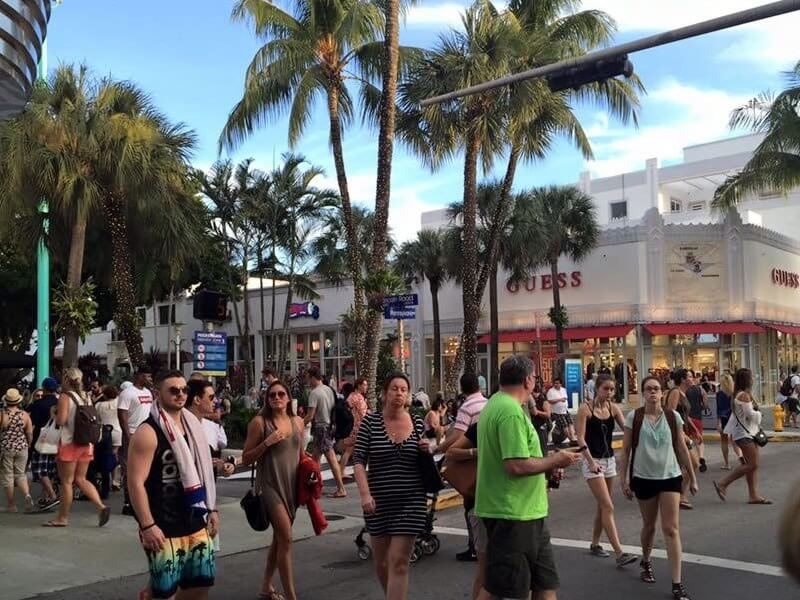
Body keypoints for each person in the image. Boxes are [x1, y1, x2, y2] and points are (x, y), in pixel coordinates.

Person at [475, 355, 581, 600]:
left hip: (527, 511)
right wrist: (555, 460)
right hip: (512, 513)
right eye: (535, 377)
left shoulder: (497, 404)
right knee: (504, 589)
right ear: (527, 380)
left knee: (545, 584)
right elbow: (516, 465)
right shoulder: (510, 411)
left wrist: (547, 466)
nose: (536, 382)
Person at [127, 370, 219, 600]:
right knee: (164, 592)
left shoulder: (193, 426)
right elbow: (135, 482)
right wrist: (148, 525)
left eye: (184, 390)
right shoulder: (148, 432)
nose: (180, 394)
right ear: (158, 394)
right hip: (163, 525)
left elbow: (202, 471)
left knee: (201, 584)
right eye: (173, 390)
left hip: (196, 518)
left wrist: (212, 508)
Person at [618, 375, 697, 600]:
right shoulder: (635, 417)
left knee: (671, 529)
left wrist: (692, 477)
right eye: (648, 389)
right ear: (643, 393)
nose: (653, 392)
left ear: (662, 393)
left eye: (656, 389)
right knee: (649, 526)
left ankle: (677, 584)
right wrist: (623, 480)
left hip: (670, 476)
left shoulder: (673, 417)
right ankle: (646, 560)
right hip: (643, 477)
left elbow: (681, 448)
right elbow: (625, 451)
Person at [353, 372, 430, 600]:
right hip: (378, 503)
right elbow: (358, 461)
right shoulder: (370, 422)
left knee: (398, 562)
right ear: (384, 393)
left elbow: (425, 457)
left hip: (411, 501)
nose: (399, 393)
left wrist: (427, 448)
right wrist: (365, 495)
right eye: (395, 388)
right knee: (382, 563)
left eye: (404, 389)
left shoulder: (416, 422)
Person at [242, 379, 305, 600]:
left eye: (281, 394)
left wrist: (309, 479)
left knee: (279, 539)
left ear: (288, 398)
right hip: (270, 485)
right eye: (272, 395)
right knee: (286, 538)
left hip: (292, 486)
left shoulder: (297, 421)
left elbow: (301, 454)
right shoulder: (260, 423)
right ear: (267, 399)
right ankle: (291, 595)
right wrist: (267, 442)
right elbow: (246, 458)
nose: (276, 398)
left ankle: (266, 586)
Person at [575, 374, 637, 566]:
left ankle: (595, 544)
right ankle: (619, 553)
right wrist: (591, 462)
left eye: (612, 389)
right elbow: (580, 438)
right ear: (597, 389)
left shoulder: (613, 408)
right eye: (606, 389)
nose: (609, 392)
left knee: (603, 505)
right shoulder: (585, 409)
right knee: (608, 506)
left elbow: (628, 428)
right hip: (592, 461)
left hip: (609, 460)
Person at [44, 367, 110, 528]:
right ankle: (101, 506)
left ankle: (62, 518)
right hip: (86, 443)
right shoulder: (86, 396)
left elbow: (61, 421)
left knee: (66, 482)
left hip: (69, 443)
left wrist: (53, 413)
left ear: (66, 380)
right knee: (81, 479)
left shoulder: (65, 397)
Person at [438, 373, 487, 562]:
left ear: (462, 388)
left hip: (471, 459)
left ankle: (474, 546)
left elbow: (457, 437)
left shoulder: (467, 407)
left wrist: (438, 447)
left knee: (470, 501)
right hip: (487, 459)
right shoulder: (487, 403)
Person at [714, 368, 772, 505]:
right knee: (753, 464)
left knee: (752, 465)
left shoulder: (740, 394)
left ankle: (753, 495)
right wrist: (760, 415)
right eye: (751, 377)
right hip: (745, 434)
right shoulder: (743, 396)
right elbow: (751, 415)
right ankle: (723, 483)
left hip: (747, 433)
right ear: (747, 380)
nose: (753, 379)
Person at [446, 422, 485, 599]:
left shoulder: (517, 420)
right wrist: (476, 452)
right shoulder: (482, 424)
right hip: (479, 502)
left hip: (505, 505)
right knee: (486, 571)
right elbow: (452, 451)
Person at [304, 366, 346, 498]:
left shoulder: (314, 393)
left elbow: (310, 415)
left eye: (308, 378)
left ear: (312, 377)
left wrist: (299, 424)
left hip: (321, 427)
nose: (307, 381)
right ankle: (314, 485)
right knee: (315, 458)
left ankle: (341, 488)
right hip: (330, 427)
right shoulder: (329, 390)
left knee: (331, 458)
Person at [118, 365, 154, 515]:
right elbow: (122, 415)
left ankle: (144, 501)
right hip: (132, 434)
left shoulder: (148, 392)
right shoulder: (127, 393)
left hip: (146, 435)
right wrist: (128, 435)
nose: (150, 379)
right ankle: (128, 503)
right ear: (139, 376)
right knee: (130, 469)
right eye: (148, 376)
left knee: (147, 469)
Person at [664, 369, 702, 509]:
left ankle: (679, 495)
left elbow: (685, 416)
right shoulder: (675, 392)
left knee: (688, 465)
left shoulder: (684, 394)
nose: (693, 378)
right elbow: (670, 413)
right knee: (692, 464)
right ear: (683, 379)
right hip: (677, 434)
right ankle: (679, 495)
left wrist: (694, 429)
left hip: (685, 432)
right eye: (690, 376)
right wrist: (682, 435)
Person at [186, 380, 235, 480]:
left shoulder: (212, 427)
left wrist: (223, 466)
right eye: (211, 397)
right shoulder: (178, 427)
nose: (216, 401)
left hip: (208, 488)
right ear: (197, 400)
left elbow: (217, 456)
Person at [27, 376, 60, 510]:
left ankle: (52, 495)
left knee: (40, 470)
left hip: (40, 441)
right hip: (56, 440)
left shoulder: (38, 405)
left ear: (44, 389)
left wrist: (29, 441)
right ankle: (46, 497)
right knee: (50, 470)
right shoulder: (59, 403)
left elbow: (32, 424)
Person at [0, 388, 34, 513]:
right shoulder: (24, 415)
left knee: (8, 476)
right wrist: (28, 444)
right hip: (22, 447)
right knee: (21, 474)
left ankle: (11, 505)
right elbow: (29, 433)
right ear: (18, 401)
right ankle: (27, 495)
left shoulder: (2, 414)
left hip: (6, 448)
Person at [93, 385, 123, 499]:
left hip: (105, 433)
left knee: (105, 457)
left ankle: (105, 479)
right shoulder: (118, 403)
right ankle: (115, 481)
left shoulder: (99, 405)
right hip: (118, 430)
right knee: (115, 455)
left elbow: (97, 419)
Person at [339, 377, 369, 477]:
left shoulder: (351, 396)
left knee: (349, 450)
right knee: (356, 450)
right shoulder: (359, 398)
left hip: (351, 426)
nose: (366, 387)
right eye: (364, 385)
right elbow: (363, 414)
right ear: (359, 385)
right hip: (359, 428)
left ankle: (342, 472)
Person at [715, 373, 742, 470]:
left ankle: (727, 463)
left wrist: (718, 422)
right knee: (734, 440)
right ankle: (740, 458)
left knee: (724, 441)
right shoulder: (735, 393)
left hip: (724, 418)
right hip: (733, 418)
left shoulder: (719, 394)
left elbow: (718, 409)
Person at [684, 372, 708, 473]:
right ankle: (701, 457)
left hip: (687, 417)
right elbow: (705, 401)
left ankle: (692, 460)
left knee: (688, 441)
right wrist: (702, 407)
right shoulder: (700, 389)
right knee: (699, 440)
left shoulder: (684, 390)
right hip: (697, 417)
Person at [547, 378, 577, 446]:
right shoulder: (551, 391)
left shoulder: (563, 390)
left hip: (565, 410)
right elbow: (550, 401)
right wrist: (559, 400)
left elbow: (565, 398)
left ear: (560, 384)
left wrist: (562, 400)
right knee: (564, 425)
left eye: (558, 383)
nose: (556, 384)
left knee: (570, 423)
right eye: (555, 383)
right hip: (557, 412)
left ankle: (573, 437)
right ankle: (570, 439)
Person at [528, 382, 551, 455]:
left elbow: (548, 414)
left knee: (543, 449)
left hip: (541, 427)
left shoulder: (543, 399)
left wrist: (536, 412)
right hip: (533, 426)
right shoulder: (529, 398)